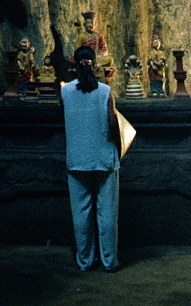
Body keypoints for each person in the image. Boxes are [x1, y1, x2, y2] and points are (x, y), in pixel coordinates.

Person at [60, 45, 120, 272]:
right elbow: (113, 123)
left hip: (77, 158)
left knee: (81, 212)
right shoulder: (104, 91)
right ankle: (109, 260)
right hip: (104, 157)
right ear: (95, 65)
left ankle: (85, 260)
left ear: (74, 64)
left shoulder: (65, 91)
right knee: (107, 212)